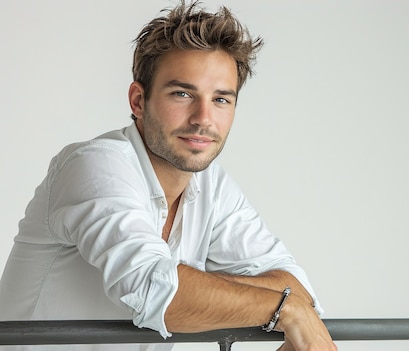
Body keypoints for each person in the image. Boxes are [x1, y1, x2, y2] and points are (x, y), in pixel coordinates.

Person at [0, 1, 336, 350]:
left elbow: (298, 287)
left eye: (221, 100)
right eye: (182, 93)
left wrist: (285, 304)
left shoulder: (212, 187)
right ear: (138, 101)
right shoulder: (94, 166)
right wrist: (284, 308)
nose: (203, 118)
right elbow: (156, 293)